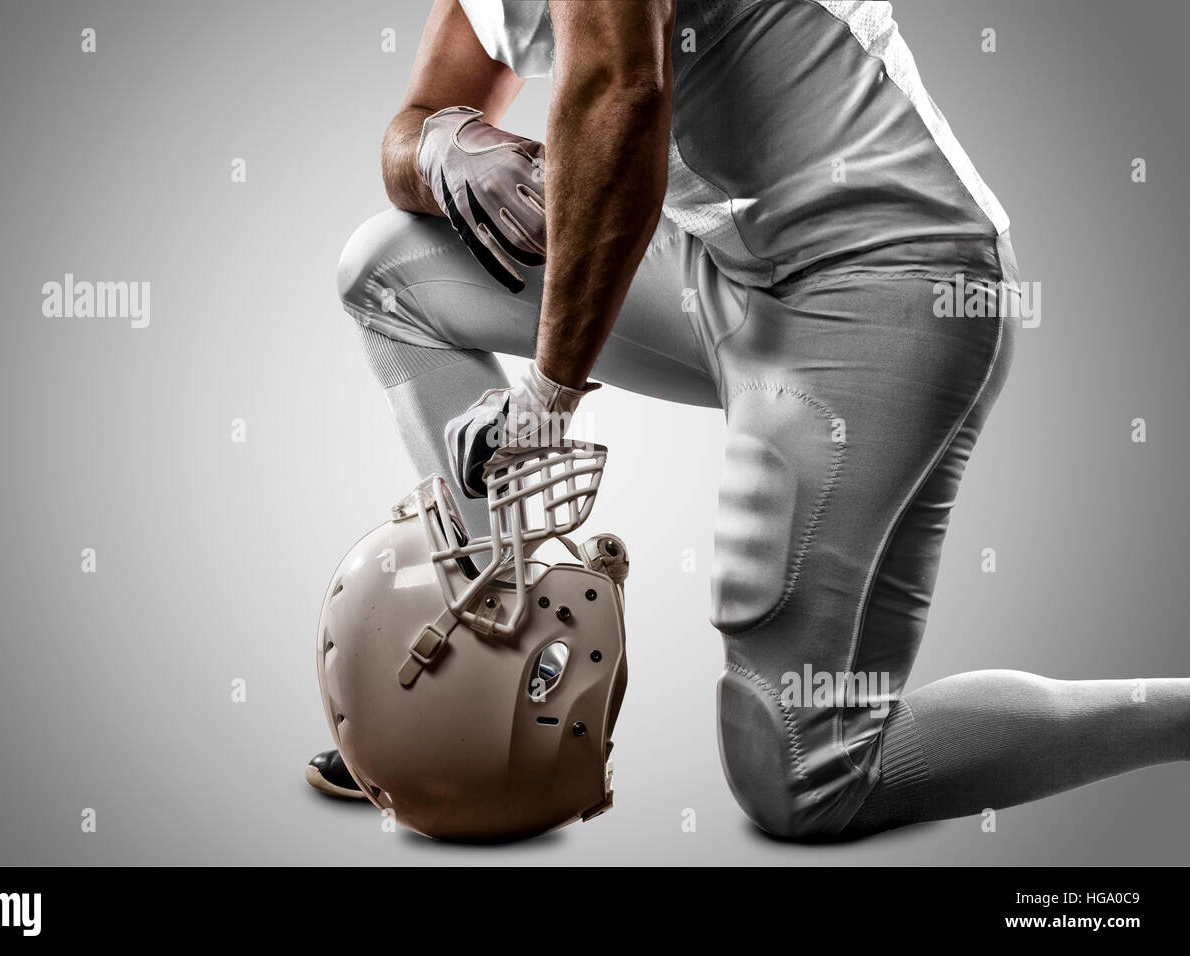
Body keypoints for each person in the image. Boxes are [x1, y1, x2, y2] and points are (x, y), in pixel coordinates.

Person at [308, 0, 1190, 841]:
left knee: (803, 775)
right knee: (386, 271)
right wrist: (446, 145)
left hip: (891, 281)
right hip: (728, 276)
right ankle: (484, 658)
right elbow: (415, 116)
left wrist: (546, 396)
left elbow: (624, 91)